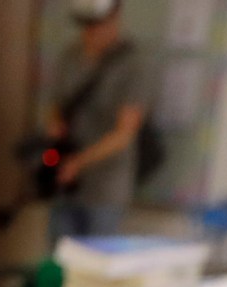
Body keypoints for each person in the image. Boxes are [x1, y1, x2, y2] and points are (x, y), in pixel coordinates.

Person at [45, 0, 148, 242]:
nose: (91, 32)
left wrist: (78, 163)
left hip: (105, 190)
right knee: (59, 258)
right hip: (66, 185)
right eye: (86, 25)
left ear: (114, 17)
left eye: (97, 24)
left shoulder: (132, 65)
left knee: (96, 262)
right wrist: (55, 128)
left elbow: (125, 133)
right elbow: (56, 106)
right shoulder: (70, 56)